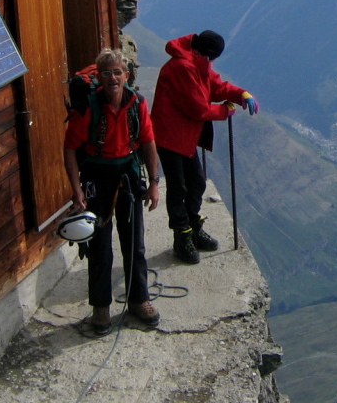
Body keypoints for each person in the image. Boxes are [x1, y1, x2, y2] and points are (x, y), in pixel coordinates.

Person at [63, 48, 162, 335]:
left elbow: (148, 141)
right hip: (97, 177)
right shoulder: (88, 107)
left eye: (117, 72)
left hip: (129, 176)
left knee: (135, 243)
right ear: (99, 77)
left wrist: (154, 182)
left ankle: (138, 299)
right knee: (99, 247)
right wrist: (76, 189)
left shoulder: (137, 104)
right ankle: (101, 307)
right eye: (106, 73)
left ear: (126, 76)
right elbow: (70, 149)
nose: (112, 78)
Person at [151, 30, 258, 264]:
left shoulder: (196, 62)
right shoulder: (182, 67)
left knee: (196, 182)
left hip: (184, 136)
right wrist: (225, 110)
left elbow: (215, 85)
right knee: (179, 188)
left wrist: (241, 94)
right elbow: (197, 108)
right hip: (170, 137)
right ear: (207, 54)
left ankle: (192, 226)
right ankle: (182, 236)